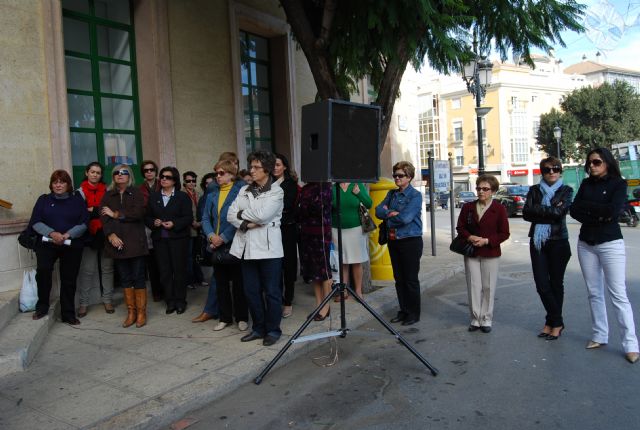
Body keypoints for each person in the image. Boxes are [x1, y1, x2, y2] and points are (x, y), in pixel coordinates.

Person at [570, 147, 639, 363]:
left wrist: (590, 210)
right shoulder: (586, 183)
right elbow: (574, 210)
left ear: (607, 163)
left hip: (610, 243)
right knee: (594, 292)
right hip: (586, 243)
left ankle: (631, 344)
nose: (592, 166)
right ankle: (600, 334)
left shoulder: (618, 184)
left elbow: (613, 212)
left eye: (597, 162)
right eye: (589, 163)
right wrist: (598, 211)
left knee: (618, 294)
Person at [228, 150, 284, 346]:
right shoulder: (244, 190)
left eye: (256, 167)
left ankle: (273, 330)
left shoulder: (276, 191)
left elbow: (264, 216)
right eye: (251, 166)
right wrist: (246, 223)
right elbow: (230, 215)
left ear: (267, 169)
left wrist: (244, 214)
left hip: (269, 249)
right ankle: (258, 328)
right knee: (251, 291)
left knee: (271, 292)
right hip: (246, 248)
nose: (251, 170)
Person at [28, 170, 88, 324]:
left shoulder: (77, 200)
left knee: (69, 279)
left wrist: (67, 235)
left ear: (68, 184)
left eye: (62, 182)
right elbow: (35, 221)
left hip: (71, 244)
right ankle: (42, 307)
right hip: (47, 244)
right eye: (55, 182)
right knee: (43, 271)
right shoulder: (43, 200)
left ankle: (68, 313)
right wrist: (52, 233)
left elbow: (84, 223)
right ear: (51, 184)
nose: (58, 185)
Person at [523, 157, 573, 340]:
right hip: (538, 242)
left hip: (559, 241)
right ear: (541, 172)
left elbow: (560, 213)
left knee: (556, 284)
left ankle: (551, 323)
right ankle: (557, 321)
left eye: (555, 168)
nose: (551, 172)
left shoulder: (567, 190)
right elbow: (526, 213)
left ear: (560, 171)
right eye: (547, 169)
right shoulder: (534, 190)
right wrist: (551, 210)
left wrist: (539, 209)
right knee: (542, 285)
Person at [456, 174, 510, 333]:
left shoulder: (499, 208)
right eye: (478, 188)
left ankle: (486, 319)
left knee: (488, 286)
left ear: (492, 191)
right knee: (473, 285)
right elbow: (460, 228)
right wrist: (470, 237)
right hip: (471, 251)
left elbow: (504, 233)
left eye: (485, 189)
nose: (481, 192)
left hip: (490, 251)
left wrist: (486, 241)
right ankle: (475, 318)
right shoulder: (468, 207)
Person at [201, 159, 248, 331]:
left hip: (234, 242)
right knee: (220, 284)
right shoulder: (212, 194)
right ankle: (225, 317)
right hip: (215, 244)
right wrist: (211, 236)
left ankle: (242, 317)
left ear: (231, 174)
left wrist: (223, 237)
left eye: (221, 173)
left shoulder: (239, 193)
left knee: (238, 283)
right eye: (216, 173)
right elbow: (205, 218)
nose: (217, 177)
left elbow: (239, 218)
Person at [375, 161, 423, 326]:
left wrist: (389, 215)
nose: (396, 178)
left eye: (400, 175)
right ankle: (403, 311)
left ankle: (413, 313)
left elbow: (406, 218)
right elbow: (378, 210)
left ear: (409, 177)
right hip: (394, 240)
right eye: (395, 175)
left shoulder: (415, 196)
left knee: (410, 279)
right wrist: (391, 212)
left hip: (410, 241)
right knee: (399, 279)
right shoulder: (391, 194)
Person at [101, 164, 149, 327]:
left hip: (135, 242)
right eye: (116, 173)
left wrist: (116, 214)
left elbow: (138, 214)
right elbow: (103, 219)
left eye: (124, 173)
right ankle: (131, 312)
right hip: (117, 243)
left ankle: (141, 313)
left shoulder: (136, 192)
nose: (120, 175)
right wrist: (110, 235)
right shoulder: (108, 195)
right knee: (125, 279)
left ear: (129, 176)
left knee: (138, 277)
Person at [145, 166, 193, 315]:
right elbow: (147, 217)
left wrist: (174, 224)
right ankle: (170, 301)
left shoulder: (182, 197)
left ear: (174, 181)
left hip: (178, 239)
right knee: (164, 271)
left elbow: (188, 218)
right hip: (160, 239)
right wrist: (154, 222)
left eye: (168, 177)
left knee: (179, 270)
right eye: (162, 177)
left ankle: (180, 301)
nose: (164, 179)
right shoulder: (153, 197)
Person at [76, 161, 115, 317]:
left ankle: (107, 300)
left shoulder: (107, 191)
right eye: (92, 172)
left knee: (107, 269)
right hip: (88, 235)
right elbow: (81, 214)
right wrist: (99, 210)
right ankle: (84, 303)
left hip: (106, 233)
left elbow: (111, 211)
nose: (95, 175)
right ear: (87, 173)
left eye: (98, 173)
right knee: (87, 270)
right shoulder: (79, 192)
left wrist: (93, 209)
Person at [331, 181, 372, 300]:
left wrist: (359, 193)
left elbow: (369, 204)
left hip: (355, 229)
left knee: (356, 261)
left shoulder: (357, 185)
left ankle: (358, 291)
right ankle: (343, 291)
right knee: (342, 262)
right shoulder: (333, 188)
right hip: (336, 229)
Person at [298, 182, 333, 321]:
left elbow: (318, 208)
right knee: (314, 271)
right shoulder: (306, 188)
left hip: (321, 234)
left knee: (324, 270)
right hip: (306, 233)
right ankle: (319, 305)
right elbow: (300, 211)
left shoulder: (325, 186)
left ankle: (326, 306)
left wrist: (303, 207)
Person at [273, 153, 299, 318]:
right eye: (273, 165)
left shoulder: (290, 184)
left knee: (288, 266)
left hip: (287, 229)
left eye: (278, 165)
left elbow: (287, 205)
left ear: (284, 167)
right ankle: (277, 299)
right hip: (271, 230)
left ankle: (288, 301)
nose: (275, 168)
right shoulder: (267, 183)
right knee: (275, 267)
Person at [139, 160, 163, 302]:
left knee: (164, 261)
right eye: (146, 170)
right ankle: (156, 292)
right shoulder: (139, 188)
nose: (149, 172)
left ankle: (167, 290)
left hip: (164, 224)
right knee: (152, 262)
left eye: (151, 169)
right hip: (147, 226)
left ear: (155, 171)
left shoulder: (163, 183)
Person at [183, 170, 205, 288]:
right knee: (188, 256)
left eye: (193, 181)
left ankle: (199, 279)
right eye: (188, 181)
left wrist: (200, 223)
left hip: (199, 228)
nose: (191, 183)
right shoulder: (181, 193)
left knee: (197, 255)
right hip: (188, 229)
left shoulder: (198, 193)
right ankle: (189, 281)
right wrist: (192, 222)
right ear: (184, 182)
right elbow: (183, 212)